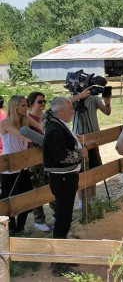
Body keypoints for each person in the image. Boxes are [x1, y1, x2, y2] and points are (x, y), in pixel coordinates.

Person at [42, 97, 92, 276]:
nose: (73, 111)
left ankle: (60, 257)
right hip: (62, 180)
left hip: (66, 179)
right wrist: (80, 153)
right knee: (63, 220)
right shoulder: (55, 128)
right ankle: (58, 263)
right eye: (70, 109)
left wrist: (75, 143)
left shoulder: (57, 125)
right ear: (62, 111)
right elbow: (61, 156)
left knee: (65, 219)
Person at [0, 95, 41, 235]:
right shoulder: (5, 122)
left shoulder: (25, 119)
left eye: (26, 105)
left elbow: (40, 126)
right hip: (9, 170)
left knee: (26, 200)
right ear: (15, 107)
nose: (26, 108)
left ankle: (21, 228)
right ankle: (12, 230)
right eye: (23, 105)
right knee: (9, 203)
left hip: (22, 167)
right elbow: (20, 135)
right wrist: (36, 139)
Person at [70, 85, 111, 210]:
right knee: (80, 172)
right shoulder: (74, 98)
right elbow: (61, 103)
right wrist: (79, 96)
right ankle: (82, 201)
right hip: (78, 138)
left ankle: (92, 197)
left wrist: (107, 101)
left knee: (94, 168)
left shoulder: (94, 98)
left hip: (93, 138)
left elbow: (107, 112)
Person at [27, 91, 55, 232]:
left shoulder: (46, 117)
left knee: (52, 185)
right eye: (40, 101)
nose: (43, 104)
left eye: (44, 101)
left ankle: (56, 213)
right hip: (35, 159)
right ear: (31, 103)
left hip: (48, 157)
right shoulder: (28, 118)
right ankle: (39, 220)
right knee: (37, 188)